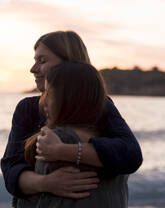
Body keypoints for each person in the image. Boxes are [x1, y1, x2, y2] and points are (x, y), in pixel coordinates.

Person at [1, 31, 142, 206]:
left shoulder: (100, 105)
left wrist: (63, 150)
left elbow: (131, 154)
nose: (33, 68)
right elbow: (10, 170)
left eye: (42, 61)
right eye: (34, 60)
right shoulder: (27, 109)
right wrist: (47, 183)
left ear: (69, 64)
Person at [18, 62, 128, 207]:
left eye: (49, 94)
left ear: (67, 98)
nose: (44, 103)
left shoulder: (58, 139)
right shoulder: (114, 140)